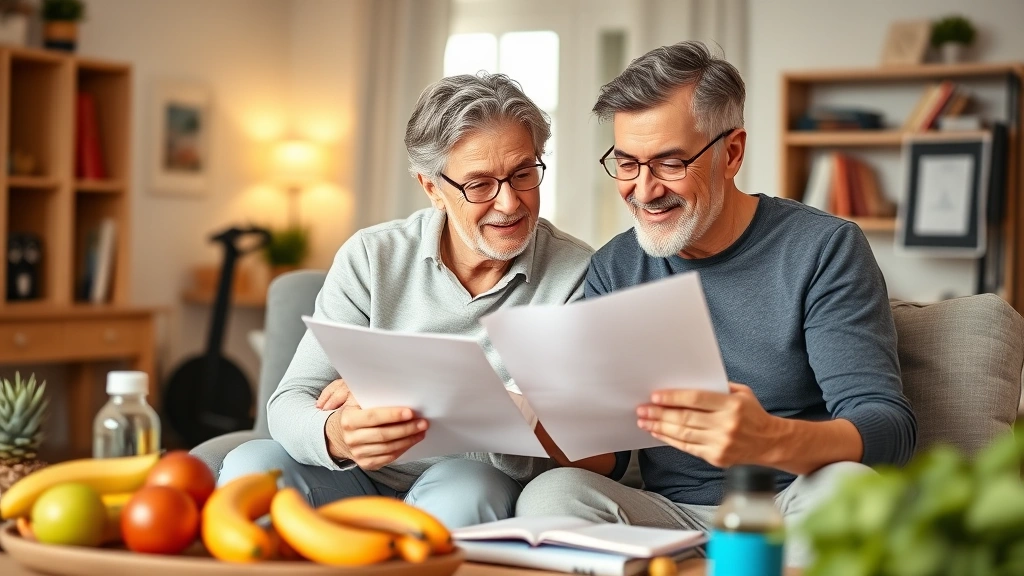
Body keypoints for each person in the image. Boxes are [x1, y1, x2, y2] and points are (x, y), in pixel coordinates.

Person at [514, 41, 917, 566]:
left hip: (792, 501)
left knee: (854, 491)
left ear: (731, 153)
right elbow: (610, 463)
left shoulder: (824, 248)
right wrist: (539, 422)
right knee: (550, 495)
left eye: (670, 162)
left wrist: (769, 439)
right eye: (628, 163)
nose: (644, 190)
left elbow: (889, 427)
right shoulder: (615, 267)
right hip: (667, 512)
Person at [218, 72, 599, 529]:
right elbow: (290, 400)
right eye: (479, 185)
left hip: (470, 479)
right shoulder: (371, 256)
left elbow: (578, 444)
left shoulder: (577, 274)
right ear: (432, 188)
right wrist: (337, 433)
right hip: (356, 476)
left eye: (523, 173)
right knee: (250, 468)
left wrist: (432, 396)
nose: (509, 203)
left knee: (467, 492)